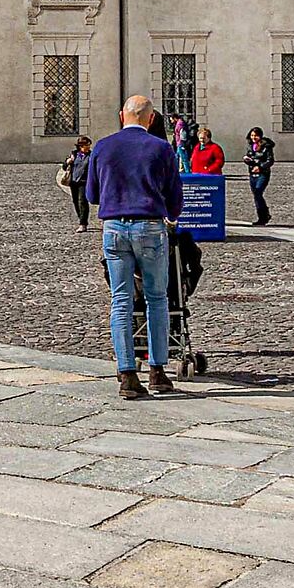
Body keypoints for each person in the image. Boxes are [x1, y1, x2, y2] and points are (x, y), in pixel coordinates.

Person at [85, 95, 183, 399]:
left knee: (121, 300)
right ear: (151, 119)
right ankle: (157, 371)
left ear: (120, 116)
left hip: (114, 227)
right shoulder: (161, 148)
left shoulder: (103, 146)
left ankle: (127, 374)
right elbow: (175, 198)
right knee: (157, 298)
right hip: (149, 226)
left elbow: (91, 193)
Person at [58, 135, 94, 230]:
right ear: (81, 146)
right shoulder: (74, 154)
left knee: (82, 201)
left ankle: (83, 224)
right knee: (75, 201)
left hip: (84, 182)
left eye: (89, 145)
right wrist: (68, 161)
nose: (89, 147)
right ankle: (81, 219)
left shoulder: (91, 156)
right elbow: (64, 167)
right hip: (73, 181)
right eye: (87, 145)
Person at [244, 127, 275, 225]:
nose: (254, 137)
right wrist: (247, 160)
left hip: (263, 173)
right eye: (252, 135)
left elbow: (270, 161)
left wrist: (260, 167)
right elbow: (250, 157)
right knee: (256, 195)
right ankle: (262, 217)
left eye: (256, 136)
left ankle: (264, 215)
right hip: (252, 173)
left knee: (258, 191)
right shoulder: (250, 145)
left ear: (260, 136)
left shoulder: (266, 146)